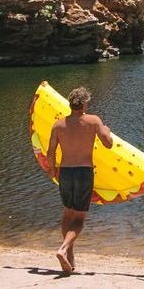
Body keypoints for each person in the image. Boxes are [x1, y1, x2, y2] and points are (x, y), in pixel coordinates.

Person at [45, 86, 113, 275]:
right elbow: (108, 144)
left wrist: (53, 171)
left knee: (68, 214)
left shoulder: (58, 125)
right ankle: (64, 249)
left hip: (65, 172)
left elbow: (50, 152)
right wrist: (106, 130)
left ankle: (70, 255)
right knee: (79, 218)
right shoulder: (93, 121)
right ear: (84, 103)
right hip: (84, 172)